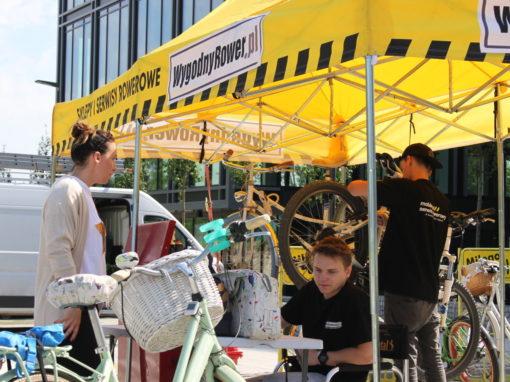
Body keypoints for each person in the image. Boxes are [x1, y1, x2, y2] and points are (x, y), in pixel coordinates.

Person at [347, 143, 449, 382]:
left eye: (402, 164)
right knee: (431, 356)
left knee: (405, 356)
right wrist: (391, 224)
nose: (402, 169)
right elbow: (419, 230)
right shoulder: (442, 202)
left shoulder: (405, 189)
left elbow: (354, 188)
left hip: (404, 290)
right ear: (431, 169)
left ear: (409, 160)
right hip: (429, 293)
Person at [34, 121, 116, 375]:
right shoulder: (67, 190)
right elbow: (58, 248)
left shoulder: (83, 193)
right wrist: (72, 305)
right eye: (114, 158)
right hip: (68, 314)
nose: (116, 166)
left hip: (81, 310)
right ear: (97, 157)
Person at [265, 236, 372, 382]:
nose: (323, 277)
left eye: (331, 271)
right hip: (308, 375)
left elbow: (368, 355)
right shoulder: (310, 291)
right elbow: (276, 323)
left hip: (336, 377)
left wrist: (322, 357)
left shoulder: (357, 301)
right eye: (318, 270)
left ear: (347, 272)